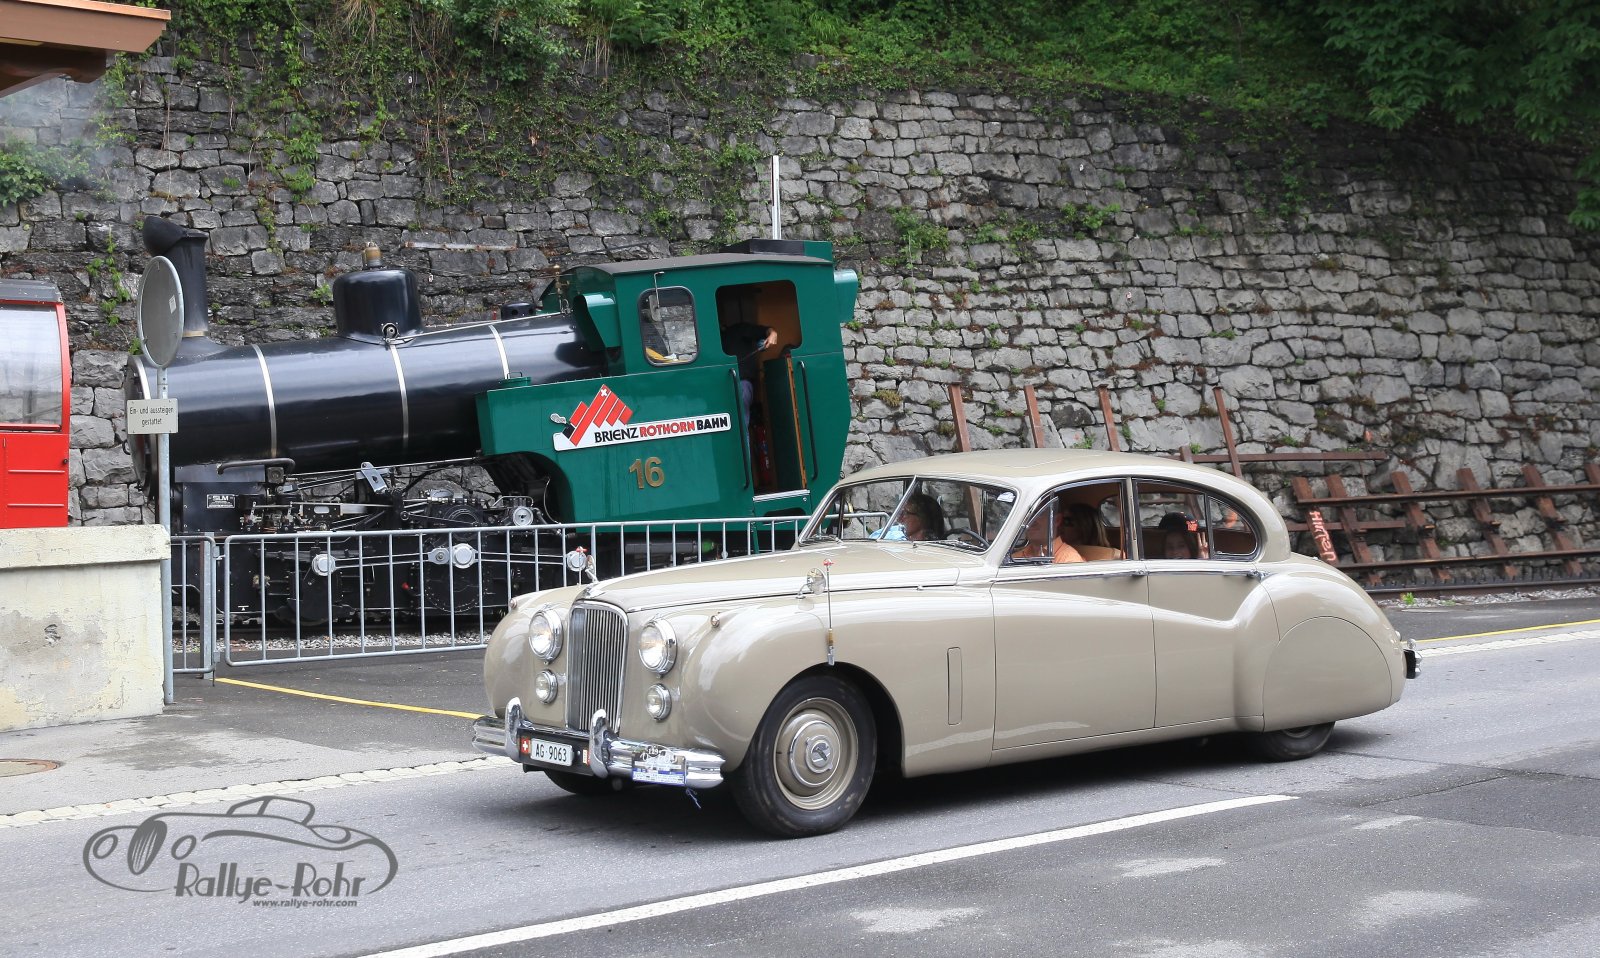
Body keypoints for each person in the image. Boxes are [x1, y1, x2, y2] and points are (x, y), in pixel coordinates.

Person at [721, 322, 776, 457]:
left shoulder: (738, 329)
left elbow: (766, 331)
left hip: (741, 384)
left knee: (740, 428)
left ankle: (743, 464)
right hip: (722, 388)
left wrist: (772, 334)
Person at [1056, 502, 1122, 561]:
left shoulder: (1111, 557)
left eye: (1066, 521)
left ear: (1083, 526)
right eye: (1058, 520)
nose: (1059, 525)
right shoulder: (1056, 551)